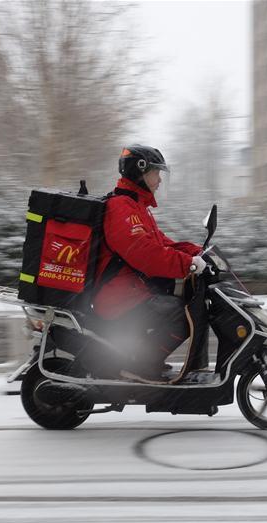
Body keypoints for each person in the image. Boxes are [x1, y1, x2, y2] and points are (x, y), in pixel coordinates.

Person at [90, 145, 206, 379]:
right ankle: (139, 365)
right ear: (139, 172)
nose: (160, 180)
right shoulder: (121, 208)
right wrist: (188, 264)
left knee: (179, 306)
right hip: (119, 297)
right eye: (156, 173)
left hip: (130, 291)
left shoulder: (135, 207)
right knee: (183, 315)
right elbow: (145, 254)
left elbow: (162, 244)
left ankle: (144, 359)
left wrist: (199, 252)